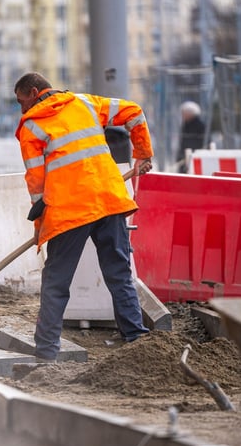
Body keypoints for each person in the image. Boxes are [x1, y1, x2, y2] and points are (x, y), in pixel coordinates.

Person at [13, 72, 153, 363]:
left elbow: (37, 188)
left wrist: (42, 228)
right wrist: (143, 152)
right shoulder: (85, 102)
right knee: (119, 273)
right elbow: (134, 112)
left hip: (70, 209)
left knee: (55, 282)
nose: (21, 108)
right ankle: (136, 338)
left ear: (35, 92)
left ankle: (46, 351)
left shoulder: (32, 127)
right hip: (108, 199)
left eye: (21, 101)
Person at [175, 101, 206, 173]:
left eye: (183, 113)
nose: (182, 115)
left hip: (194, 157)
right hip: (185, 157)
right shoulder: (186, 124)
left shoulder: (199, 126)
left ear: (190, 113)